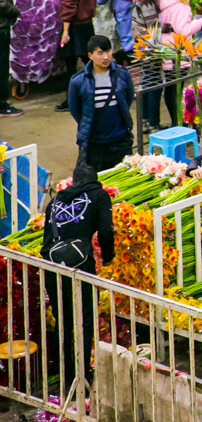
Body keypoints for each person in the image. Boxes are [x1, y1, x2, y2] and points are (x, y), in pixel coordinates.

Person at [41, 162, 114, 395]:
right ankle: (82, 377)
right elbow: (106, 231)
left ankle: (65, 375)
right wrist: (108, 257)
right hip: (80, 267)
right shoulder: (99, 196)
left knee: (62, 321)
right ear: (94, 181)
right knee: (84, 321)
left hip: (52, 267)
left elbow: (47, 238)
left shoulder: (55, 202)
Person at [68, 35, 135, 169]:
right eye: (100, 53)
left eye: (108, 51)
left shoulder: (123, 74)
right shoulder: (78, 81)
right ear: (90, 55)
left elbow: (127, 100)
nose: (106, 57)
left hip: (121, 140)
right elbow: (75, 109)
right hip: (95, 144)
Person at [55, 0, 98, 111]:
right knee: (91, 63)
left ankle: (71, 101)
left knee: (71, 66)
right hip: (87, 27)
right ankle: (99, 93)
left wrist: (65, 32)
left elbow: (69, 10)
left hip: (73, 28)